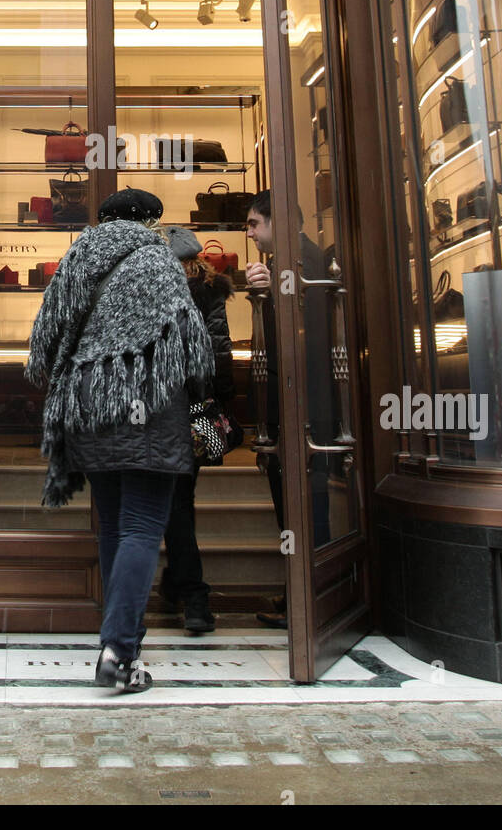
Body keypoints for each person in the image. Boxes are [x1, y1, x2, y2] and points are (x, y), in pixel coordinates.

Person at [26, 188, 213, 694]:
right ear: (150, 220)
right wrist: (204, 409)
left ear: (104, 219)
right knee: (141, 526)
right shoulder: (158, 258)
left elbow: (43, 339)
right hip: (148, 408)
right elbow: (191, 344)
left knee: (113, 526)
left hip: (90, 403)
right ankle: (120, 651)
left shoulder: (79, 254)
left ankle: (118, 638)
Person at [244, 189, 335, 627]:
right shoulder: (296, 260)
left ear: (276, 219)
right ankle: (302, 591)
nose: (249, 232)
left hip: (303, 405)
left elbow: (302, 339)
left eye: (253, 223)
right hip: (300, 403)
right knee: (298, 505)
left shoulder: (298, 262)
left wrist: (266, 296)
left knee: (302, 504)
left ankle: (310, 599)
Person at [158, 225, 236, 635]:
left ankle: (194, 597)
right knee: (180, 500)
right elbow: (221, 352)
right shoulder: (210, 289)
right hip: (197, 410)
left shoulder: (160, 291)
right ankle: (179, 586)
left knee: (174, 504)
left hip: (165, 411)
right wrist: (221, 403)